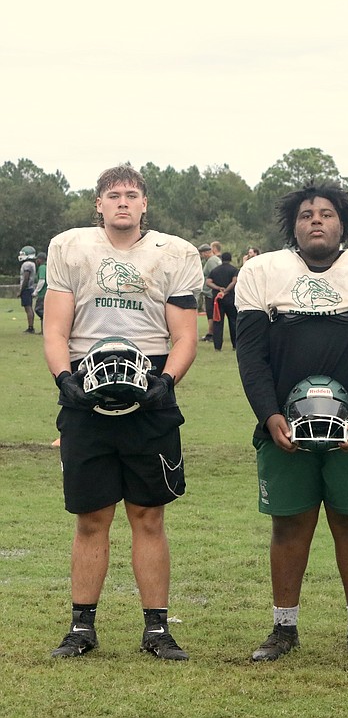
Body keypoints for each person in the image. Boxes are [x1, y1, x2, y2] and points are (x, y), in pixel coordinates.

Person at [235, 181, 348, 662]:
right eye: (307, 213)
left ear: (343, 223)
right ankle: (283, 627)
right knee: (288, 527)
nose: (316, 220)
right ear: (292, 224)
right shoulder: (262, 272)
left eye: (327, 213)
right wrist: (269, 415)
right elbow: (251, 358)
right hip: (283, 426)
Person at [43, 164, 202, 660]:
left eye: (132, 195)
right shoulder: (70, 247)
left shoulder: (174, 253)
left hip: (150, 377)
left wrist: (166, 383)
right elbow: (55, 330)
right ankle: (81, 627)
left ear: (145, 204)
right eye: (113, 195)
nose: (123, 203)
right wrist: (65, 381)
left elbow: (185, 335)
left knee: (147, 514)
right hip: (85, 381)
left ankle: (157, 629)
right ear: (99, 204)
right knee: (91, 516)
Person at [206, 251, 239, 351]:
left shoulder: (215, 270)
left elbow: (208, 282)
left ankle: (217, 346)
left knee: (217, 322)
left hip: (217, 300)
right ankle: (235, 345)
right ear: (230, 259)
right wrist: (226, 290)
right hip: (230, 299)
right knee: (233, 321)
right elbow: (235, 281)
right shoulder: (234, 270)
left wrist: (218, 288)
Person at [199, 241, 222, 342]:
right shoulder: (215, 259)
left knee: (210, 313)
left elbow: (215, 275)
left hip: (210, 293)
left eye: (201, 253)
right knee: (212, 313)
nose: (201, 256)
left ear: (205, 252)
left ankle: (211, 333)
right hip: (211, 292)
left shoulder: (211, 261)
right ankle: (211, 332)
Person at [19, 245, 37, 333]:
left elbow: (26, 278)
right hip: (30, 288)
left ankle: (31, 327)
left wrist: (21, 290)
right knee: (28, 307)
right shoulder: (32, 264)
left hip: (27, 289)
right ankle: (31, 326)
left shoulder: (27, 264)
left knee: (28, 308)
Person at [34, 251, 48, 331]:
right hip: (47, 292)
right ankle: (43, 330)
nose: (36, 261)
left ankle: (47, 323)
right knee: (44, 310)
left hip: (42, 293)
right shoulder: (47, 266)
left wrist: (36, 291)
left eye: (37, 259)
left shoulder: (42, 267)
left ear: (40, 260)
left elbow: (41, 280)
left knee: (39, 310)